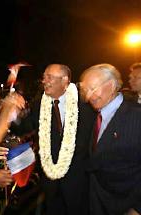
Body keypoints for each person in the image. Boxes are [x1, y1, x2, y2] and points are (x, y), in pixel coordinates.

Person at [18, 64, 94, 215]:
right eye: (44, 77)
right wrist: (13, 115)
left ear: (65, 80)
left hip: (78, 179)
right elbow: (24, 128)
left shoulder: (85, 103)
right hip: (50, 181)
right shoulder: (39, 104)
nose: (44, 81)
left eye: (49, 77)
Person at [79, 63, 141, 215]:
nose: (88, 96)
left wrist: (138, 208)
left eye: (93, 89)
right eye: (85, 90)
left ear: (112, 85)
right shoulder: (97, 114)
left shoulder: (136, 116)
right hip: (98, 203)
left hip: (126, 205)